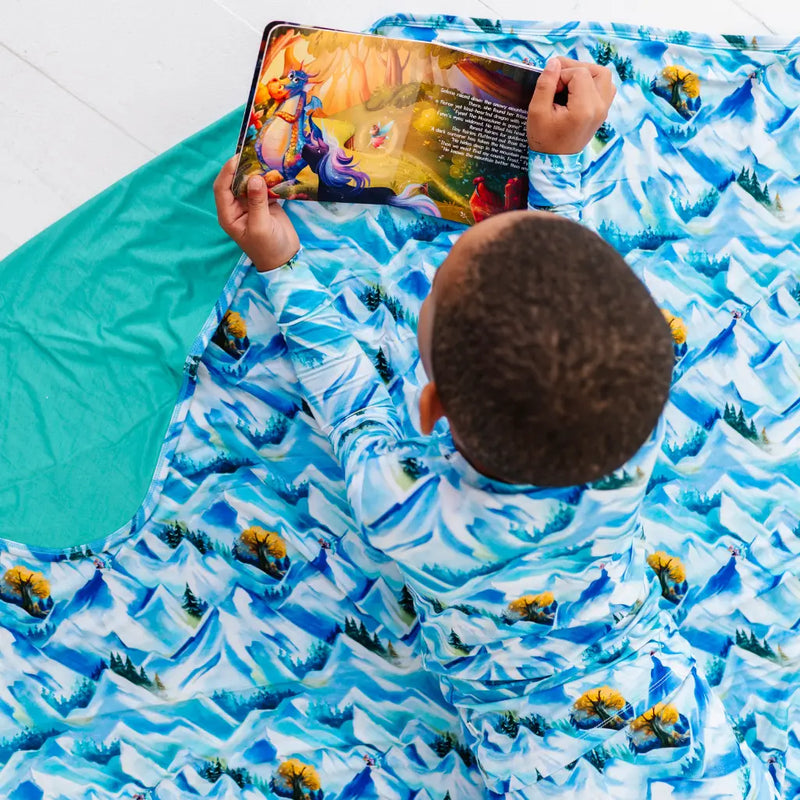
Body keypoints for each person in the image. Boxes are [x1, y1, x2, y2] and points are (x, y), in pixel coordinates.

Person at [214, 57, 775, 798]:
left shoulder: (403, 509)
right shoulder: (630, 447)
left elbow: (351, 402)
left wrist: (281, 266)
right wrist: (559, 163)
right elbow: (575, 311)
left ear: (430, 407)